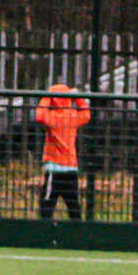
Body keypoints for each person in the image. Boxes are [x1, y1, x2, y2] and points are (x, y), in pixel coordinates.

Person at [36, 82, 89, 220]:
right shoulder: (73, 116)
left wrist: (46, 97)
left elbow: (39, 115)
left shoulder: (52, 116)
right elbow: (86, 114)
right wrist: (76, 97)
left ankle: (45, 233)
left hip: (54, 167)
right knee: (73, 204)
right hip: (71, 168)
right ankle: (77, 233)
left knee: (46, 205)